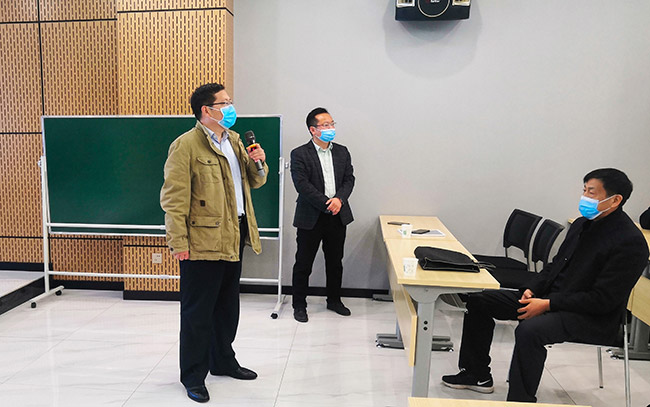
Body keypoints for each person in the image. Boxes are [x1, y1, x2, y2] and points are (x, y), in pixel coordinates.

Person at [442, 168, 649, 403]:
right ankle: (476, 375)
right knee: (480, 300)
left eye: (591, 193)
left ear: (615, 200)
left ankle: (521, 400)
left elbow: (602, 300)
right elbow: (555, 266)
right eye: (584, 191)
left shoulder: (630, 243)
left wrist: (548, 304)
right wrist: (533, 288)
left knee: (530, 331)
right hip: (552, 299)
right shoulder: (582, 224)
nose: (585, 198)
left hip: (590, 317)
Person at [160, 83, 268, 403]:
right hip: (201, 241)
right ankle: (193, 375)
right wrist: (178, 242)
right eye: (225, 103)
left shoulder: (234, 140)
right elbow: (173, 200)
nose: (231, 107)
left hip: (234, 234)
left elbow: (255, 182)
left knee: (227, 307)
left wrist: (259, 162)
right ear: (206, 110)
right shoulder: (185, 146)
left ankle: (223, 361)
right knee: (198, 313)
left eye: (230, 101)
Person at [290, 107, 355, 323]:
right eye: (325, 125)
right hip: (311, 216)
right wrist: (327, 204)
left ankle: (334, 300)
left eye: (332, 124)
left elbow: (349, 179)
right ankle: (299, 305)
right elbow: (302, 185)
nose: (331, 128)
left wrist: (339, 200)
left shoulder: (342, 151)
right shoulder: (299, 154)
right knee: (303, 263)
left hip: (338, 215)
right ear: (313, 130)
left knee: (335, 262)